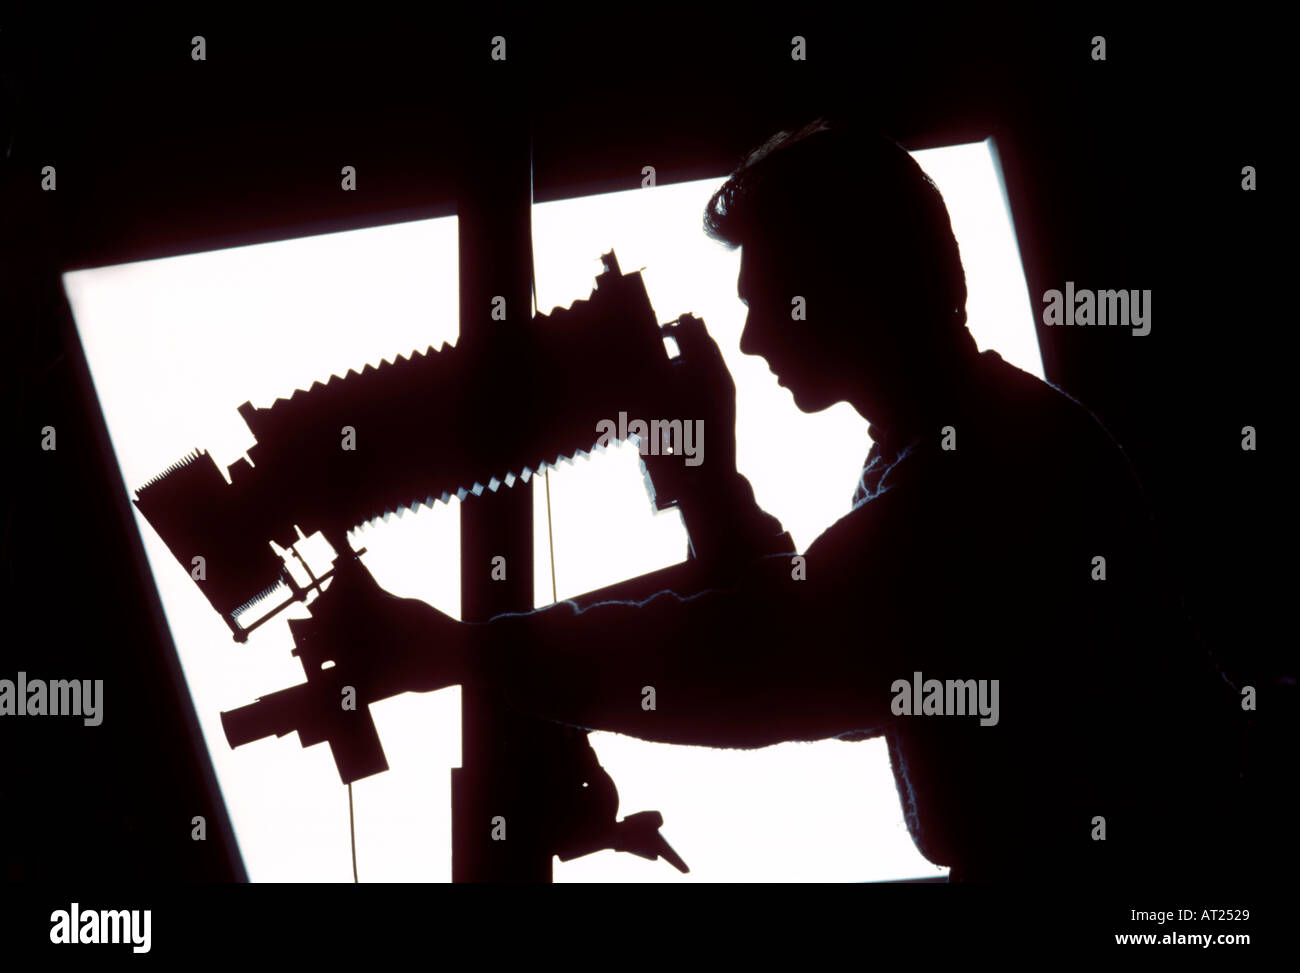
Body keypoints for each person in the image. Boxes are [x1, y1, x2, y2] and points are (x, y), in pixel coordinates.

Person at [318, 119, 1231, 882]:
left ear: (854, 282)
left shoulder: (981, 467)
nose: (750, 338)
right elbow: (816, 641)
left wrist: (456, 651)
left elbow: (772, 659)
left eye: (771, 301)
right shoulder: (945, 445)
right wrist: (710, 478)